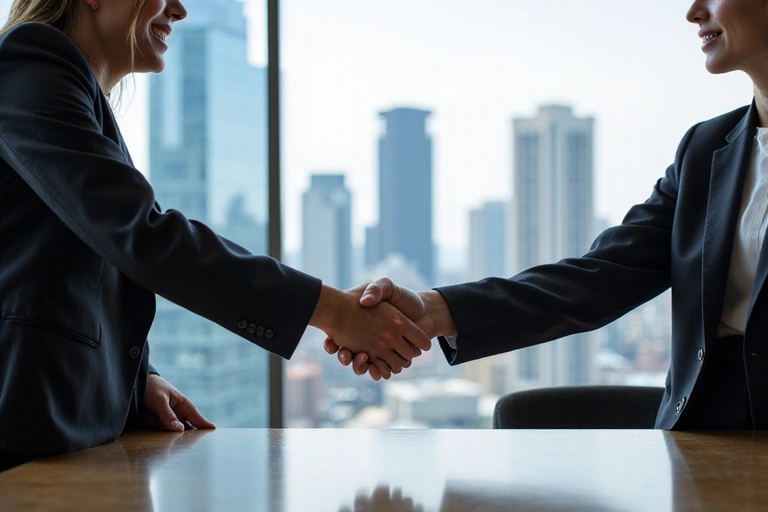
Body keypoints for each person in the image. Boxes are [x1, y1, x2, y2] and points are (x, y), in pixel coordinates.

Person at [0, 0, 431, 459]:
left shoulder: (68, 90)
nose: (179, 9)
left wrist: (138, 379)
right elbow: (143, 236)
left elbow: (65, 265)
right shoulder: (31, 61)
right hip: (24, 436)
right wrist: (332, 312)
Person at [328, 0, 768, 430]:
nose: (693, 12)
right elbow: (598, 278)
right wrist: (430, 310)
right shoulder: (706, 149)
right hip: (702, 441)